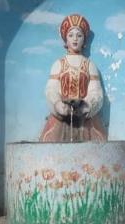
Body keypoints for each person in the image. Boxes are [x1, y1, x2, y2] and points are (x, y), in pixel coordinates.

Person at [39, 13, 107, 142]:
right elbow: (51, 89)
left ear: (84, 39)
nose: (75, 39)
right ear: (66, 39)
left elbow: (96, 91)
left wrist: (87, 106)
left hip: (85, 120)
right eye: (71, 35)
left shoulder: (89, 65)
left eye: (79, 35)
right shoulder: (58, 64)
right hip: (61, 117)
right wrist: (57, 104)